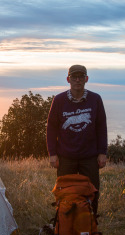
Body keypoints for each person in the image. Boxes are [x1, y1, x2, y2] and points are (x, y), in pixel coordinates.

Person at [46, 64, 108, 214]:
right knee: (64, 191)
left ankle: (91, 224)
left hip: (90, 157)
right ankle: (63, 222)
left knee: (92, 191)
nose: (78, 80)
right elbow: (51, 127)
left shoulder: (95, 99)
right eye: (74, 77)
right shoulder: (59, 100)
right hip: (66, 156)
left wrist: (102, 152)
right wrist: (52, 154)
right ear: (68, 79)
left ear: (86, 79)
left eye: (81, 77)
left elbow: (101, 127)